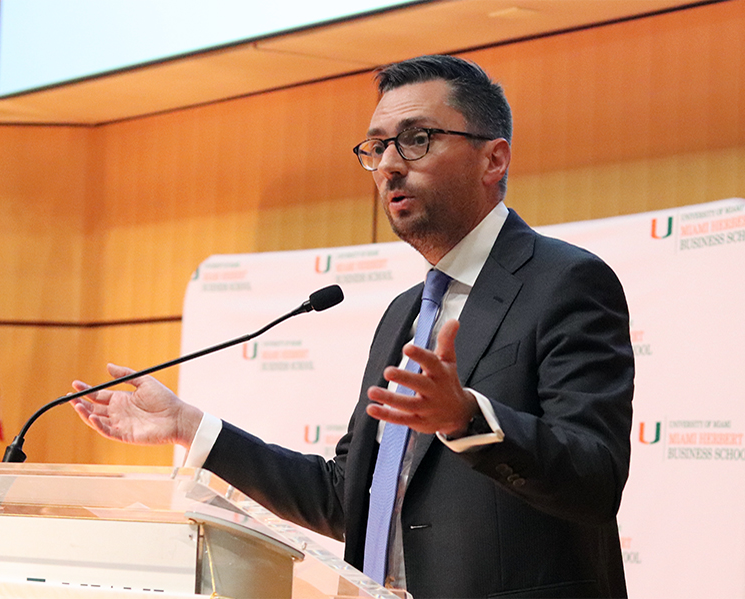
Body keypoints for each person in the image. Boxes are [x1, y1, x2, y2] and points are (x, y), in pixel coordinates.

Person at [71, 54, 634, 599]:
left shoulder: (565, 283)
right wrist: (192, 427)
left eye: (417, 139)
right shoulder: (405, 313)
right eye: (377, 146)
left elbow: (595, 478)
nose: (390, 163)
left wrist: (466, 418)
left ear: (494, 159)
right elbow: (347, 499)